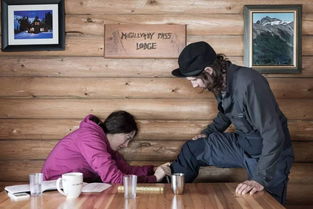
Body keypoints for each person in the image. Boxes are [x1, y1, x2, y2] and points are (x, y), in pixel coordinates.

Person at [170, 41, 294, 204]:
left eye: (194, 79)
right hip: (244, 144)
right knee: (195, 148)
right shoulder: (218, 80)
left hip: (270, 155)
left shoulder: (250, 83)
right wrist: (206, 133)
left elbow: (274, 134)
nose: (194, 85)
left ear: (208, 70)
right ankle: (167, 193)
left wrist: (259, 179)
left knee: (264, 203)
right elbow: (226, 113)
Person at [42, 110, 171, 183]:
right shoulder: (91, 138)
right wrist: (153, 179)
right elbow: (113, 178)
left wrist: (152, 169)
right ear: (116, 129)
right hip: (56, 188)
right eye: (127, 138)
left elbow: (124, 170)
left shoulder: (105, 146)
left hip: (75, 187)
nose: (126, 145)